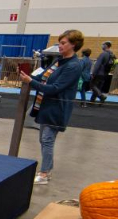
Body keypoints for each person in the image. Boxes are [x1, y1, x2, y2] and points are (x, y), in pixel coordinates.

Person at [19, 29, 85, 185]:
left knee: (47, 140)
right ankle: (46, 169)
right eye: (59, 43)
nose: (59, 46)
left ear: (73, 45)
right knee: (44, 140)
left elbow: (55, 88)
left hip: (57, 109)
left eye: (63, 43)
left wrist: (30, 81)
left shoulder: (74, 66)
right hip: (45, 106)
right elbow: (43, 78)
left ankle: (45, 173)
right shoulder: (58, 61)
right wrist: (27, 76)